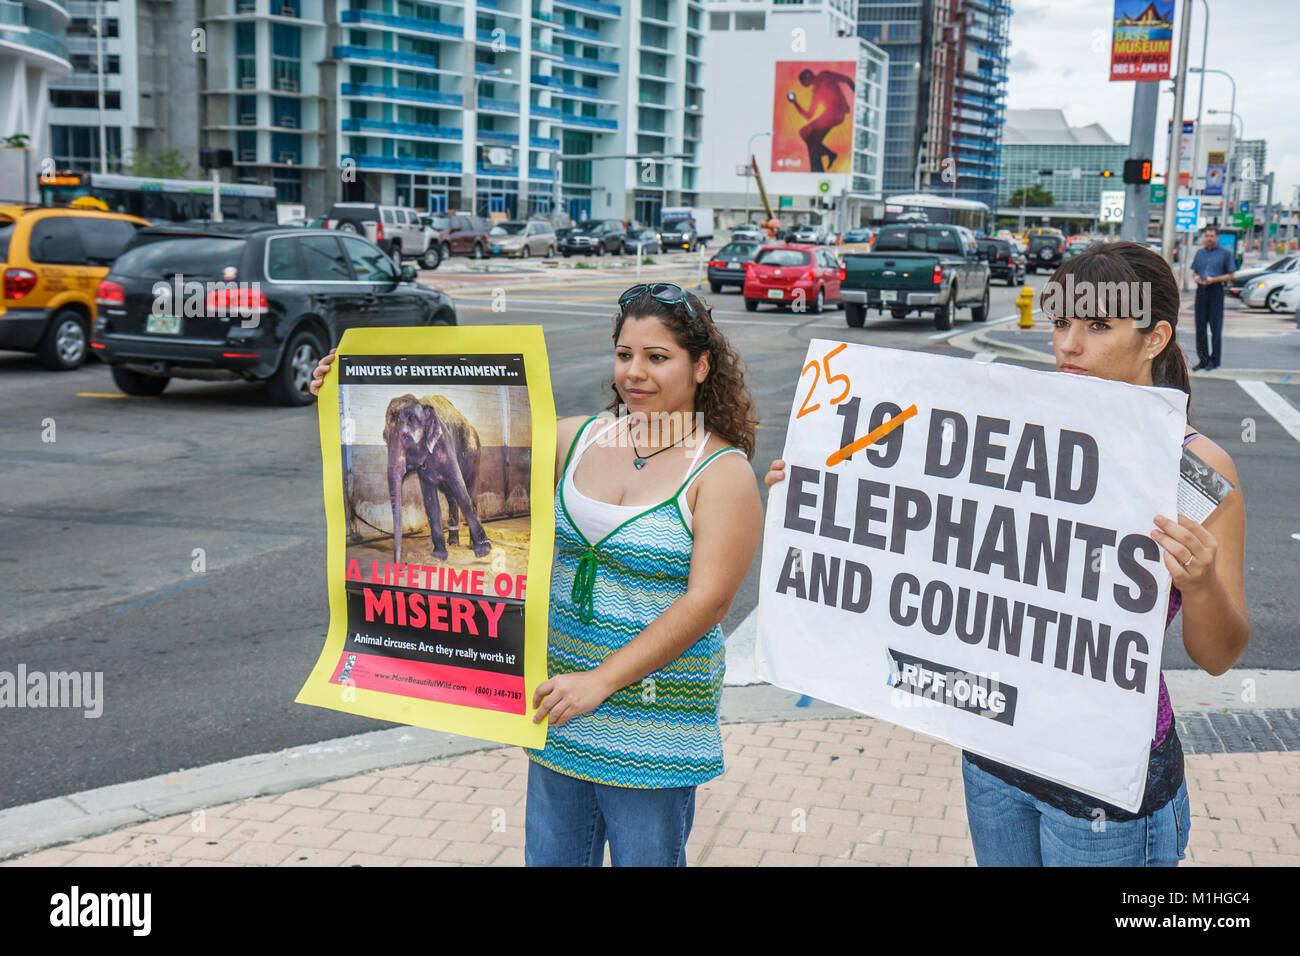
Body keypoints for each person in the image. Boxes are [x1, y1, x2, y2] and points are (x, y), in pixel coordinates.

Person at [763, 241, 1249, 866]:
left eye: (1098, 326)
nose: (1069, 345)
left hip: (1108, 777)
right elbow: (921, 528)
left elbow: (1220, 656)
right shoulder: (1018, 426)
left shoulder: (1198, 470)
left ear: (1154, 338)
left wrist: (1203, 584)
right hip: (996, 751)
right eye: (1062, 323)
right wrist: (825, 496)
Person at [309, 283, 762, 867]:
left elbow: (707, 604)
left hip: (655, 728)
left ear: (700, 366)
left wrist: (600, 681)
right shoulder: (576, 437)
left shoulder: (722, 472)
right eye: (625, 354)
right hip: (559, 712)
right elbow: (459, 470)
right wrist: (342, 391)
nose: (635, 373)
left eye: (658, 357)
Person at [786, 68, 855, 173]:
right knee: (811, 141)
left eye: (802, 81)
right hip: (829, 115)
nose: (802, 84)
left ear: (808, 77)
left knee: (805, 133)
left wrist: (858, 95)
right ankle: (818, 169)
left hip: (835, 114)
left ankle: (829, 155)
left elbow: (846, 79)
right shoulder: (816, 92)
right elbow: (809, 115)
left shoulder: (824, 76)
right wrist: (795, 102)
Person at [1190, 225, 1235, 371]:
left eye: (1211, 236)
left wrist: (1214, 280)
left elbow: (1231, 274)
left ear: (1217, 237)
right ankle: (1203, 359)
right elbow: (1194, 271)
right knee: (1200, 328)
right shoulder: (1200, 253)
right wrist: (1197, 277)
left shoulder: (1225, 253)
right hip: (1201, 290)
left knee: (1215, 328)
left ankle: (1215, 361)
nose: (1209, 238)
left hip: (1216, 290)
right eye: (1207, 236)